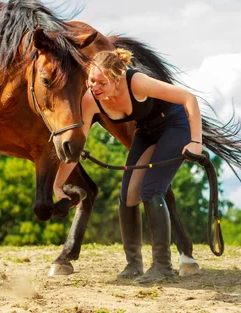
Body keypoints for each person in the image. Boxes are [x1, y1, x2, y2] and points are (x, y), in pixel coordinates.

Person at [53, 48, 203, 283]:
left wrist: (196, 142)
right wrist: (58, 183)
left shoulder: (137, 83)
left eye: (101, 82)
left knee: (151, 189)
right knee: (127, 196)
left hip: (174, 126)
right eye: (92, 80)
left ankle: (163, 267)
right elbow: (76, 147)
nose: (94, 86)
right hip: (146, 131)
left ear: (117, 79)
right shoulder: (91, 100)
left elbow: (188, 98)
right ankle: (134, 265)